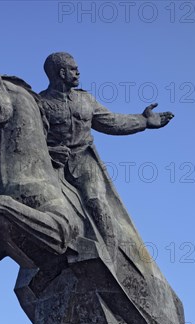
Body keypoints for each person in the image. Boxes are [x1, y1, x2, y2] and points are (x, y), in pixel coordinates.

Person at [40, 52, 174, 260]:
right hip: (52, 165)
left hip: (83, 161)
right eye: (74, 69)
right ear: (62, 72)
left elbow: (111, 122)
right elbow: (31, 138)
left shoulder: (86, 100)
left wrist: (144, 121)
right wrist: (49, 151)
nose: (78, 72)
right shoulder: (41, 103)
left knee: (96, 200)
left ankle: (109, 256)